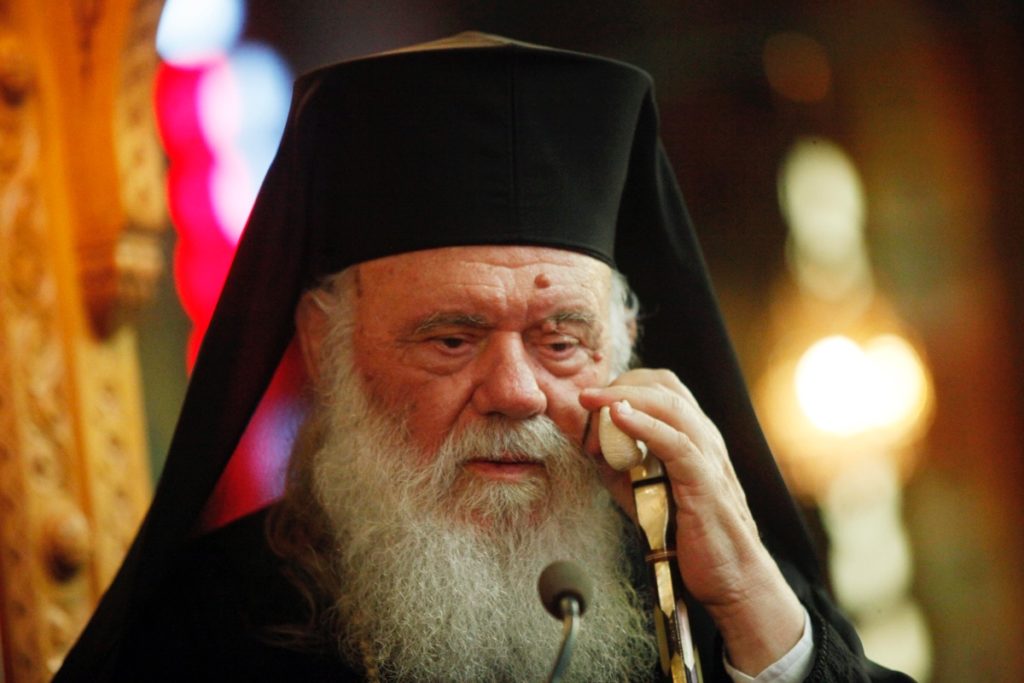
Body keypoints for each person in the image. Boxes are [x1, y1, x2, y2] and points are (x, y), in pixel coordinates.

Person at [56, 32, 912, 682]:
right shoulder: (202, 632)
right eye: (452, 339)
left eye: (561, 341)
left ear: (624, 344)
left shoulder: (720, 594)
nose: (516, 391)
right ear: (325, 343)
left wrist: (756, 602)